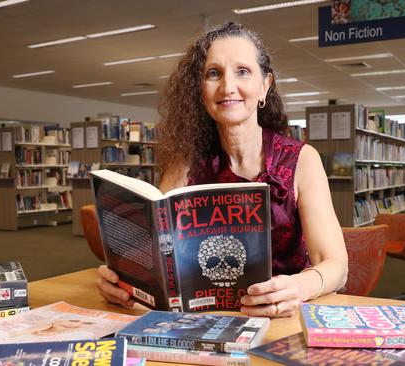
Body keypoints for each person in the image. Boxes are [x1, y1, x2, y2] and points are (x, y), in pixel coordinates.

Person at [96, 22, 348, 318]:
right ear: (200, 92)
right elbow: (156, 257)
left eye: (243, 71)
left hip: (282, 318)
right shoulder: (185, 163)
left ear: (265, 85)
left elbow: (336, 265)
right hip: (203, 319)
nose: (228, 86)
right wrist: (123, 279)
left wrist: (299, 287)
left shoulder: (301, 160)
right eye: (213, 73)